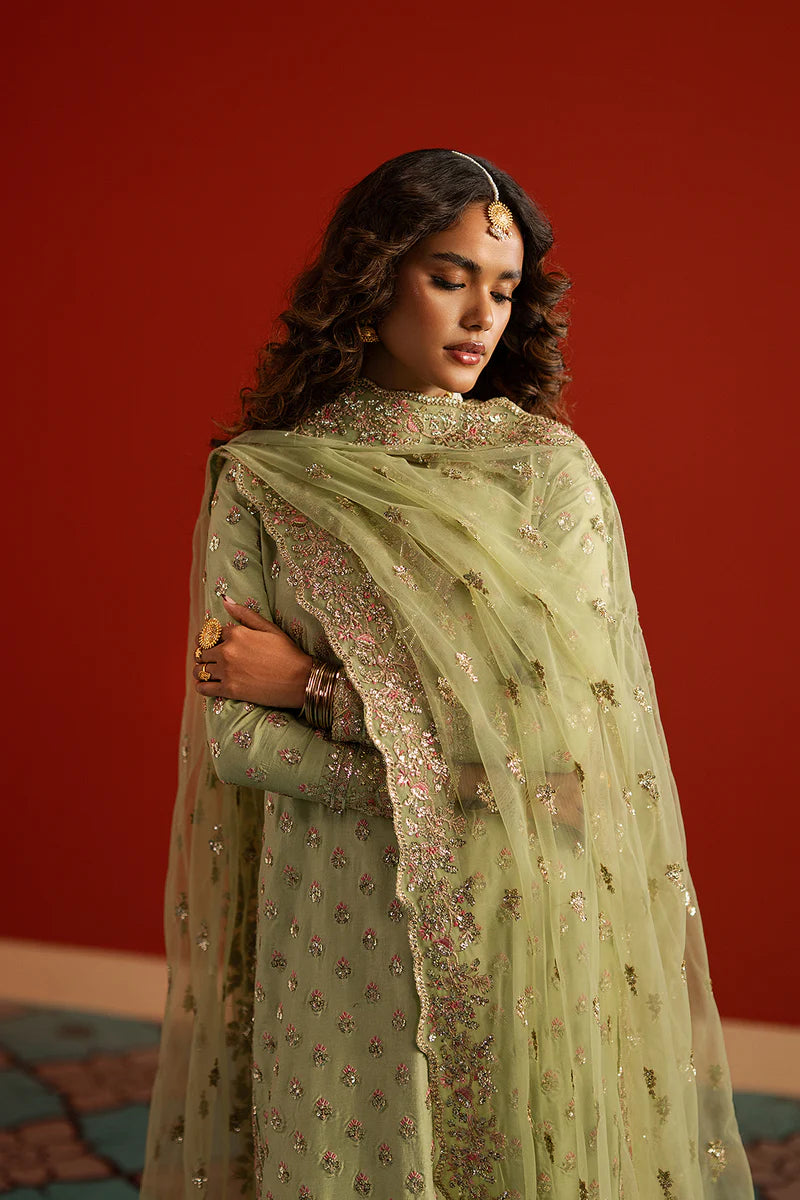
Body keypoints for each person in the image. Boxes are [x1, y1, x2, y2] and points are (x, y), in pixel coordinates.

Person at [141, 149, 754, 1200]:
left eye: (502, 290)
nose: (480, 317)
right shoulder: (266, 476)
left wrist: (314, 691)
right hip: (333, 923)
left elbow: (559, 748)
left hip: (514, 906)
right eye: (448, 277)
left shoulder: (547, 478)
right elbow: (238, 746)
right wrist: (471, 784)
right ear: (373, 277)